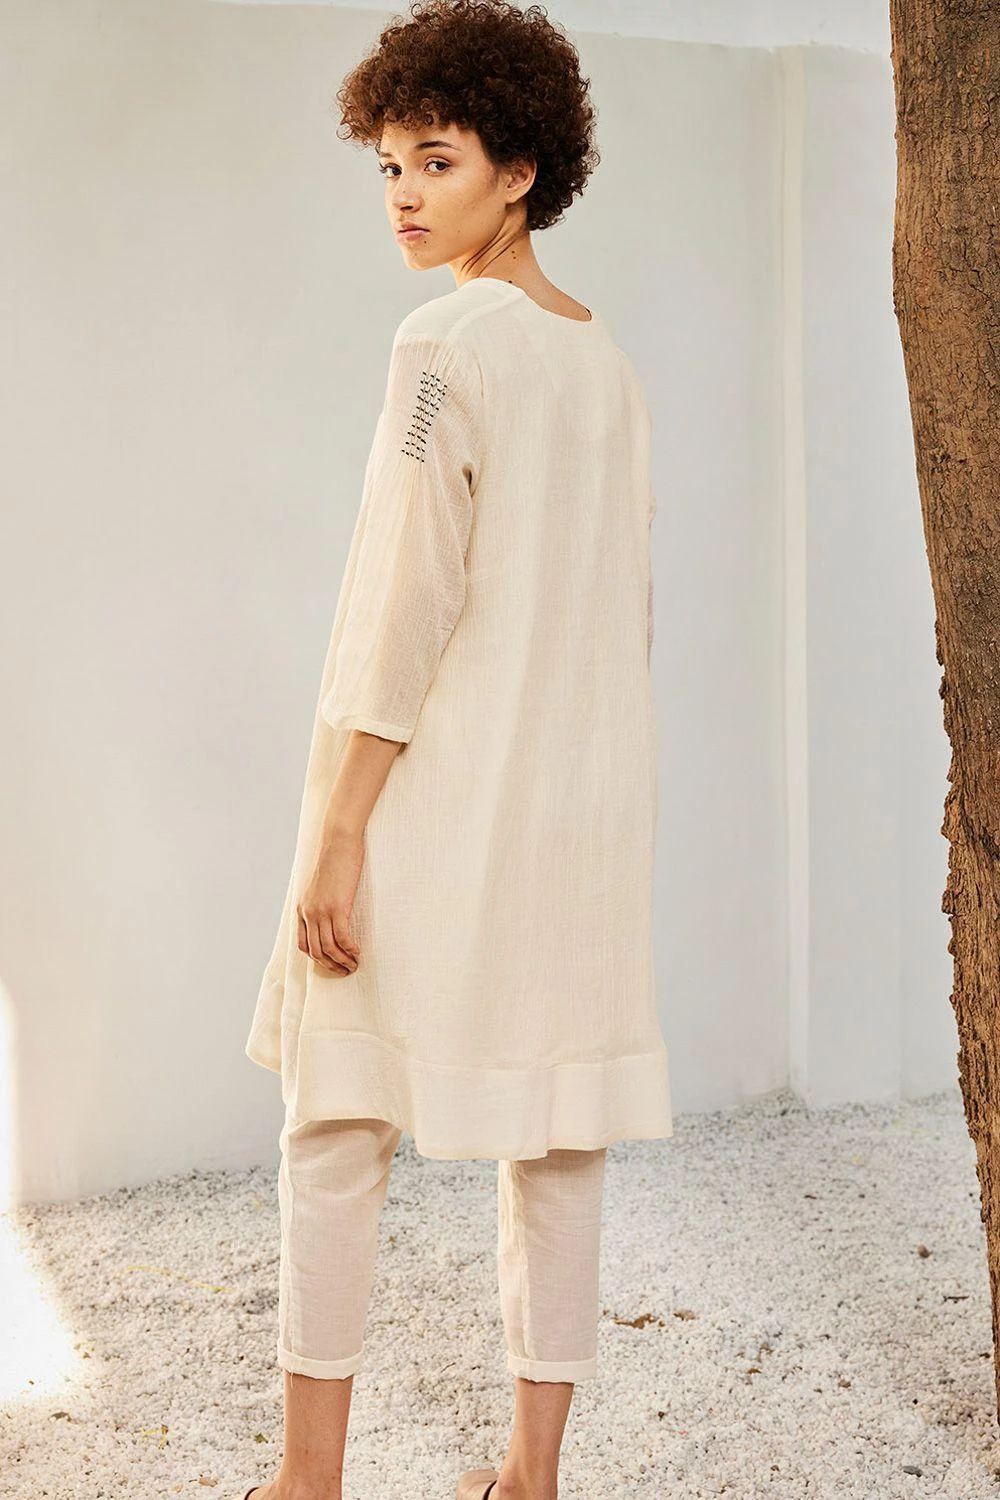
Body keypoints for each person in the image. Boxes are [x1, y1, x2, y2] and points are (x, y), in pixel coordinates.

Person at [239, 2, 672, 1497]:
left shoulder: (442, 344)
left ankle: (307, 1483)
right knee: (557, 1138)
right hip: (582, 816)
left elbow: (399, 603)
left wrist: (340, 829)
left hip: (438, 802)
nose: (406, 197)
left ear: (521, 170)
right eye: (388, 165)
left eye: (439, 160)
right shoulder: (604, 365)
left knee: (334, 1118)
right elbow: (621, 615)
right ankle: (530, 1479)